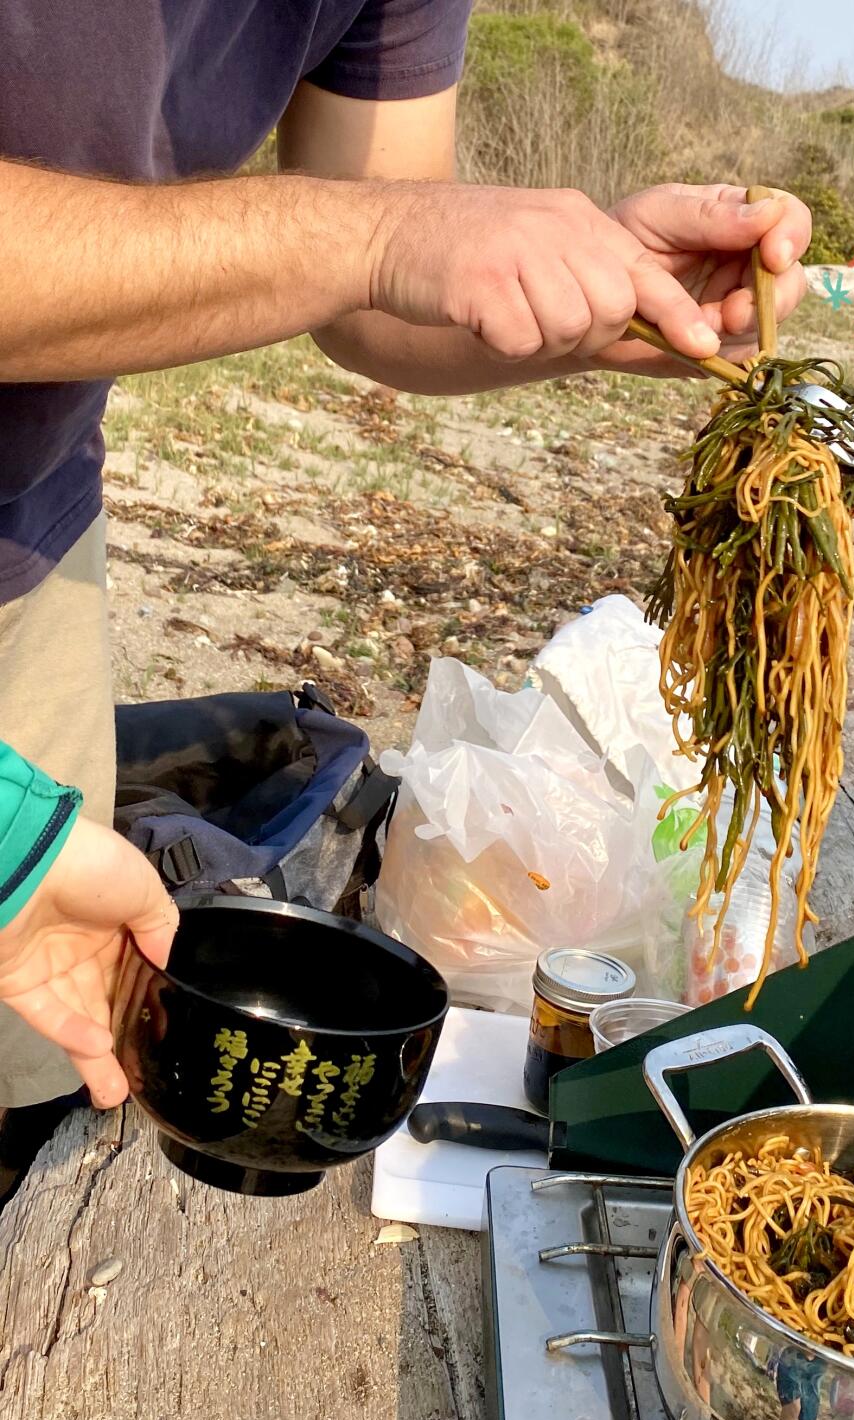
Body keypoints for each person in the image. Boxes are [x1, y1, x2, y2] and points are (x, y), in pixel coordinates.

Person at [0, 1, 812, 1125]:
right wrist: (381, 237)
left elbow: (374, 291)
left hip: (30, 529)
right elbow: (375, 237)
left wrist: (589, 302)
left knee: (35, 1033)